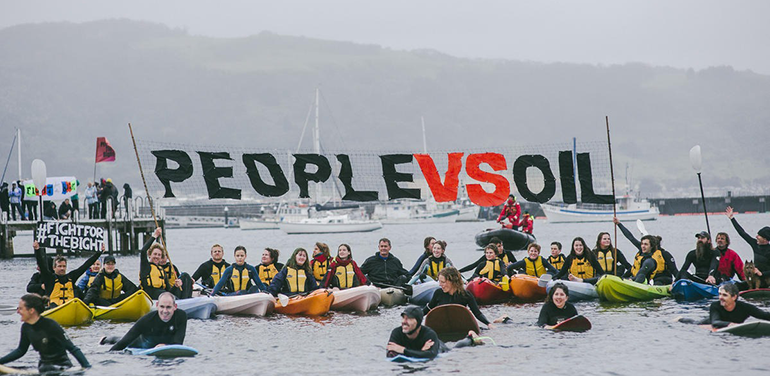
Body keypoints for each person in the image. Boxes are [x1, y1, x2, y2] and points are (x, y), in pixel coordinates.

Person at [0, 294, 90, 372]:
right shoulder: (26, 327)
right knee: (45, 367)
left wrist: (87, 368)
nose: (18, 312)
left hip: (62, 367)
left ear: (31, 310)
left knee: (48, 368)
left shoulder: (51, 325)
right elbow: (21, 350)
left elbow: (72, 348)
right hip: (44, 366)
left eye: (20, 309)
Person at [105, 292, 188, 351]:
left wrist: (165, 346)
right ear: (157, 306)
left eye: (168, 307)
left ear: (175, 307)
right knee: (123, 340)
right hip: (142, 344)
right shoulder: (147, 319)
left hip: (164, 344)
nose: (165, 311)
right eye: (162, 307)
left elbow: (179, 342)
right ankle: (106, 339)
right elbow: (123, 343)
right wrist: (108, 357)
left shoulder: (181, 316)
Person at [33, 241, 103, 307]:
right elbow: (41, 264)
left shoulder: (71, 277)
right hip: (54, 308)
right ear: (54, 267)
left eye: (64, 266)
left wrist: (99, 252)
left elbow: (86, 265)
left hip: (70, 307)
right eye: (59, 266)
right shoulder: (49, 278)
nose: (62, 268)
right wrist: (37, 250)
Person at [615, 218, 677, 285]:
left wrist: (677, 280)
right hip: (641, 277)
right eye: (642, 244)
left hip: (661, 278)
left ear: (652, 245)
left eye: (646, 244)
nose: (643, 246)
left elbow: (674, 270)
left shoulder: (664, 254)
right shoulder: (643, 249)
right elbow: (630, 237)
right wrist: (619, 224)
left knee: (655, 281)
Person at [425, 267, 492, 328]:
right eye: (439, 282)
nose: (440, 284)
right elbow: (428, 308)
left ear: (453, 281)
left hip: (460, 326)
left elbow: (477, 313)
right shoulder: (438, 293)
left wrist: (488, 324)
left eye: (443, 282)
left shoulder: (465, 295)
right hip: (443, 325)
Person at [726, 206, 770, 286]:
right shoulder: (755, 244)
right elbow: (742, 233)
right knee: (735, 285)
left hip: (766, 280)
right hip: (755, 279)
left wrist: (762, 273)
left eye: (759, 235)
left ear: (765, 239)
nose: (756, 236)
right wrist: (732, 218)